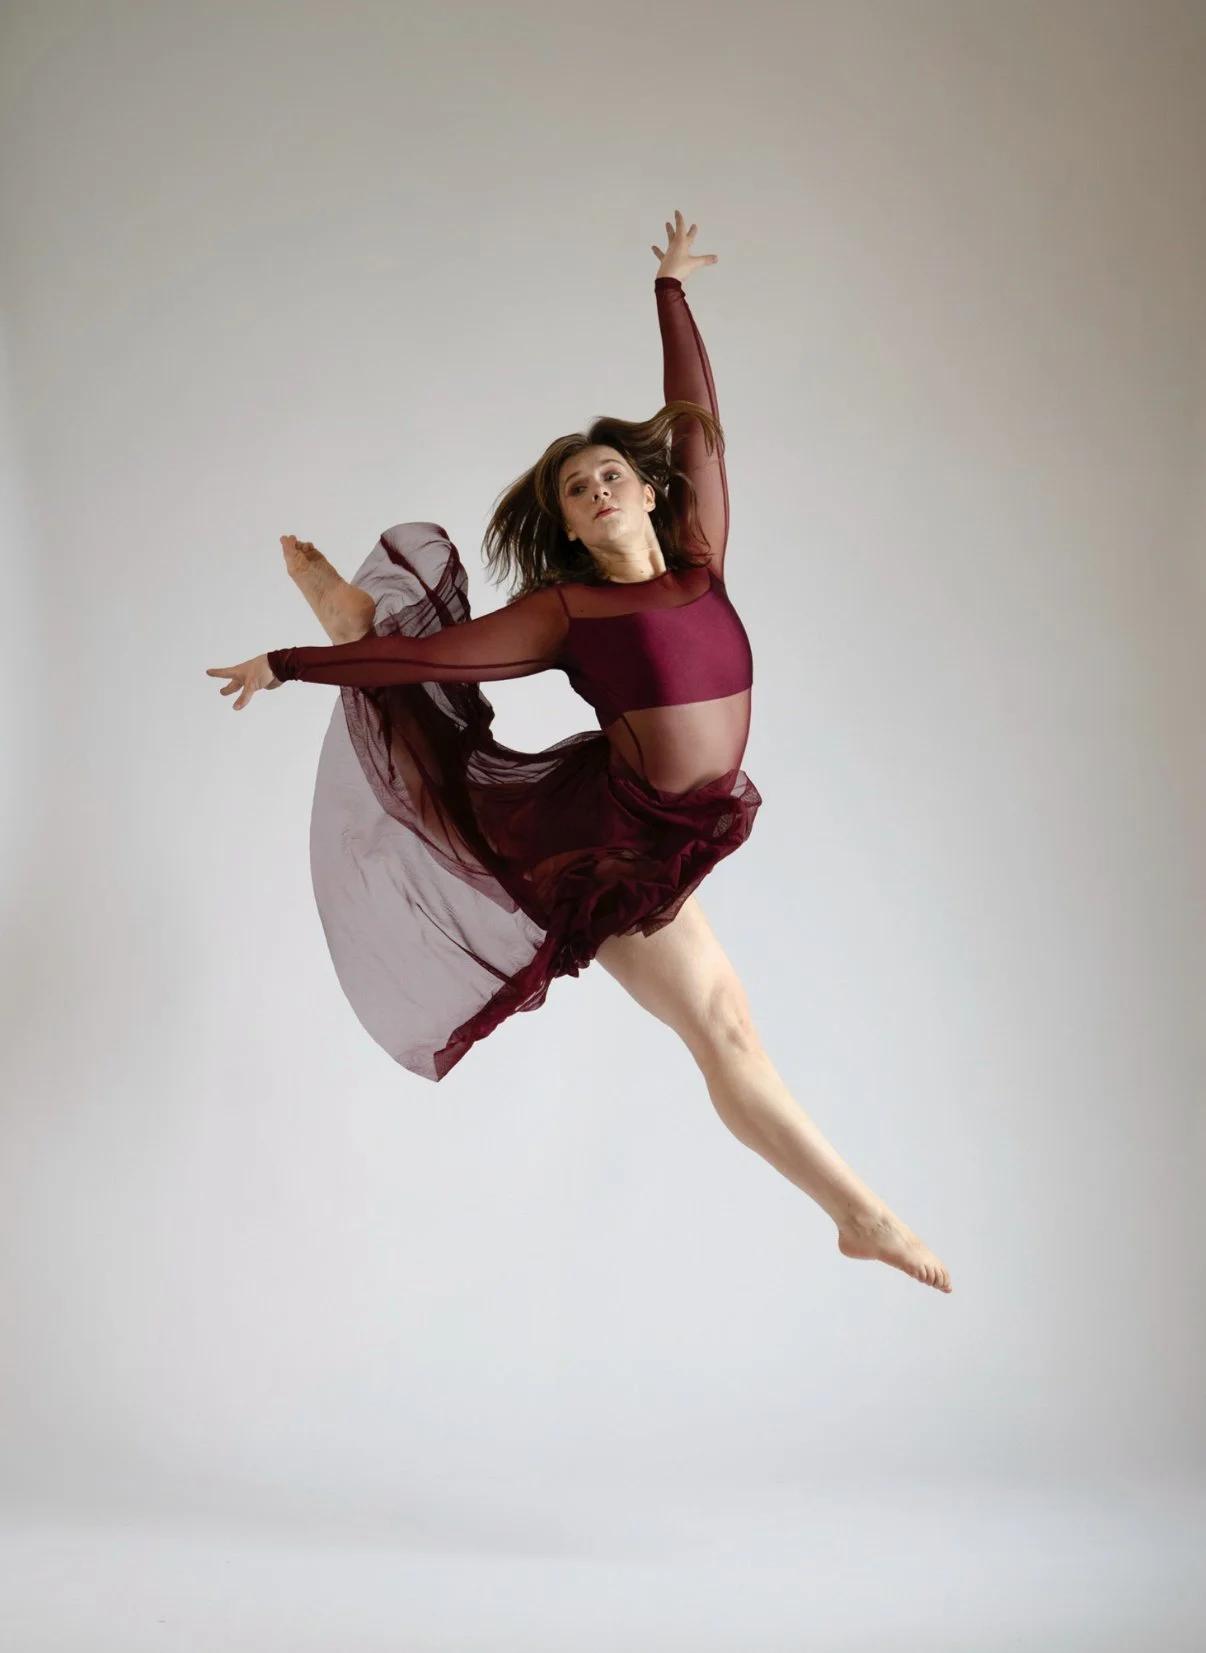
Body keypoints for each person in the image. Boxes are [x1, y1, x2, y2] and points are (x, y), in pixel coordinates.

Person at [208, 212, 952, 1292]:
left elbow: (696, 417)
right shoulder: (570, 609)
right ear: (569, 525)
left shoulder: (702, 556)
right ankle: (864, 1213)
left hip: (671, 828)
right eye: (575, 487)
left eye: (611, 471)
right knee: (454, 771)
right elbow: (442, 668)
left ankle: (856, 1213)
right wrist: (287, 666)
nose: (598, 486)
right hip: (608, 841)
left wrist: (670, 292)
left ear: (649, 490)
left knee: (731, 1028)